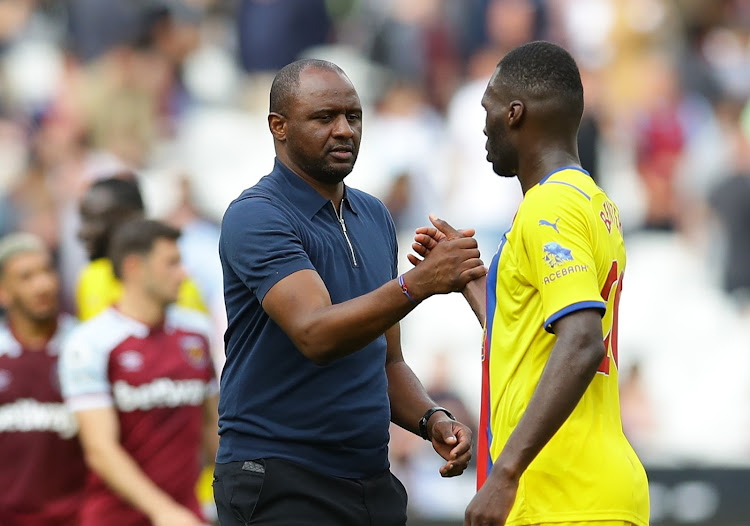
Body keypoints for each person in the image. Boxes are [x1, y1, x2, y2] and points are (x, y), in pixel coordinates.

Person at [215, 58, 485, 526]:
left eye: (353, 116)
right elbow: (316, 334)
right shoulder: (257, 216)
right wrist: (419, 283)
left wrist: (432, 420)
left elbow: (386, 360)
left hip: (368, 480)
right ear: (278, 127)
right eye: (324, 118)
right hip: (281, 478)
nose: (344, 130)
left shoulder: (374, 216)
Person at [410, 42, 649, 526]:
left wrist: (505, 473)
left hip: (562, 493)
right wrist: (473, 282)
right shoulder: (592, 202)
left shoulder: (549, 207)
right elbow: (534, 336)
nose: (483, 123)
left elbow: (581, 340)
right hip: (588, 489)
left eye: (488, 107)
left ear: (515, 114)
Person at [59, 219, 219, 526]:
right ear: (134, 267)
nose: (183, 274)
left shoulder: (195, 332)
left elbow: (212, 429)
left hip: (188, 514)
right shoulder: (90, 342)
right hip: (116, 518)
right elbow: (100, 450)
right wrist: (163, 511)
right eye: (171, 263)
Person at [0, 233, 87, 526]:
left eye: (47, 271)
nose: (43, 285)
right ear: (3, 291)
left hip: (78, 516)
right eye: (26, 277)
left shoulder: (86, 345)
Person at [76, 175, 206, 320]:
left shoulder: (176, 282)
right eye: (83, 220)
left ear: (132, 218)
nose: (82, 232)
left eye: (95, 220)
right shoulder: (90, 278)